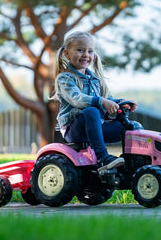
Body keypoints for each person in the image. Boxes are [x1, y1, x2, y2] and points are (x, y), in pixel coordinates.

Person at [52, 31, 137, 169]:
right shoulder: (65, 78)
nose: (86, 55)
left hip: (96, 126)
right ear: (67, 54)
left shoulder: (95, 80)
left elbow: (107, 99)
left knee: (132, 127)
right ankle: (103, 158)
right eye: (80, 50)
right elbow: (77, 99)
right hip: (74, 130)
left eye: (90, 51)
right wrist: (101, 101)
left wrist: (121, 102)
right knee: (91, 111)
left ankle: (131, 163)